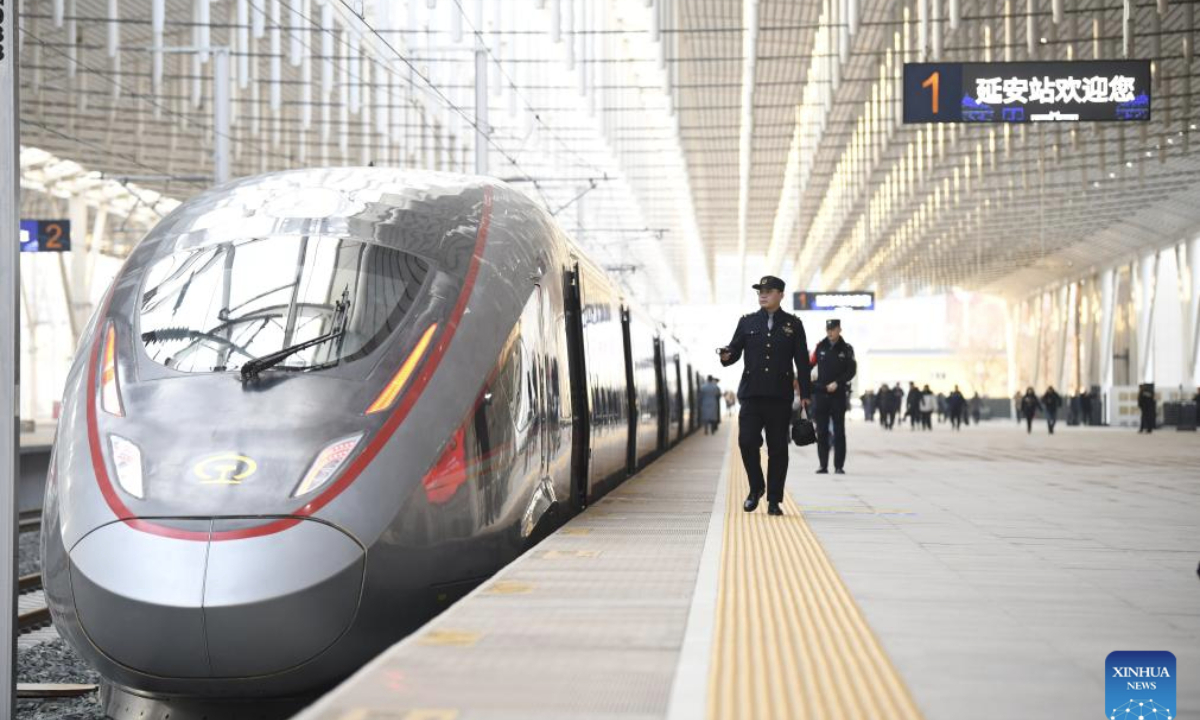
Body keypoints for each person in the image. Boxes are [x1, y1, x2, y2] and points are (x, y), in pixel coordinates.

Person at [720, 275, 811, 516]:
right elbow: (735, 350)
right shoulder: (747, 322)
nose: (762, 294)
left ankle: (774, 499)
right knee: (747, 442)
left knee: (778, 449)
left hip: (780, 397)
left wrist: (805, 394)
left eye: (768, 290)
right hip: (751, 395)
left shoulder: (793, 324)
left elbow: (802, 362)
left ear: (780, 294)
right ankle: (756, 487)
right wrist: (726, 355)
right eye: (760, 290)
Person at [812, 319, 857, 475]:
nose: (830, 332)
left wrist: (838, 382)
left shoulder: (846, 349)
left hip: (838, 395)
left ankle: (839, 466)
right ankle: (823, 465)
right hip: (821, 395)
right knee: (822, 432)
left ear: (839, 330)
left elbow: (851, 371)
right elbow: (810, 364)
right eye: (828, 329)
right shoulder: (820, 347)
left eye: (833, 329)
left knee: (839, 432)